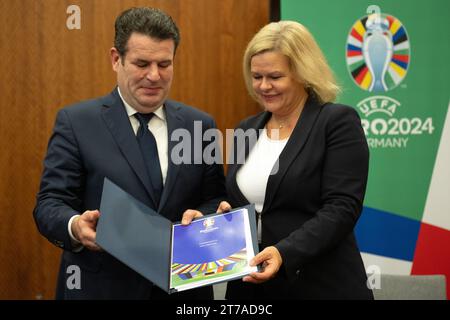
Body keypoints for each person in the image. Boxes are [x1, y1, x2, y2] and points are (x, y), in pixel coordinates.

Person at [33, 7, 225, 300]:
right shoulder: (77, 122)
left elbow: (214, 198)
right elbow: (50, 203)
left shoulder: (200, 125)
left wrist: (205, 217)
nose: (153, 76)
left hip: (184, 291)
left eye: (164, 64)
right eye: (141, 63)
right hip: (103, 288)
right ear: (116, 59)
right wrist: (76, 226)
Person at [217, 21, 373, 299]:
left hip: (320, 285)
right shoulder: (245, 129)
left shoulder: (337, 122)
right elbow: (243, 200)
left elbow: (342, 208)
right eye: (256, 76)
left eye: (275, 76)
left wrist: (284, 253)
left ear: (303, 73)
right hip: (252, 288)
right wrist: (219, 216)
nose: (264, 86)